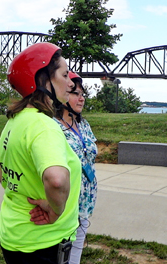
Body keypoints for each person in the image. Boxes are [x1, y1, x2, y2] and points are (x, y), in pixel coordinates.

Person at [0, 42, 82, 264]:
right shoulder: (44, 126)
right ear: (42, 80)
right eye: (64, 75)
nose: (70, 83)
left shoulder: (17, 120)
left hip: (14, 234)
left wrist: (16, 189)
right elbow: (57, 180)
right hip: (44, 242)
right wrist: (55, 211)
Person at [53, 71, 98, 264]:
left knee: (78, 245)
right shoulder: (53, 126)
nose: (82, 99)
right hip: (65, 199)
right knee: (60, 250)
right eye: (76, 94)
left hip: (86, 197)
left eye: (83, 94)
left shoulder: (84, 124)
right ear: (62, 96)